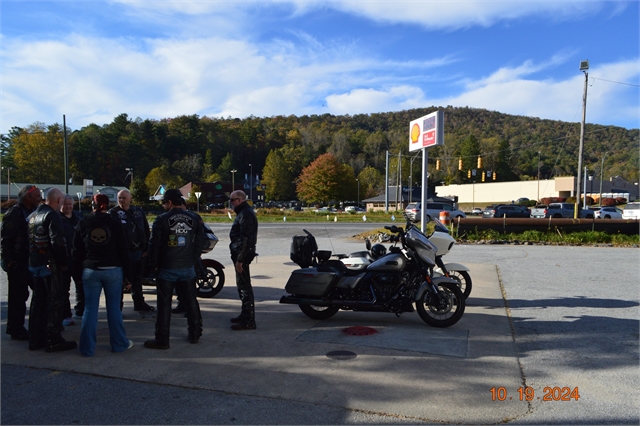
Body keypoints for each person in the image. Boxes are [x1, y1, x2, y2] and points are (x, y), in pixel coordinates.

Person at [73, 194, 134, 357]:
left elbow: (76, 251)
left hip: (91, 269)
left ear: (92, 205)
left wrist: (77, 274)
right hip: (113, 269)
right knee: (113, 308)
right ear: (107, 205)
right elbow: (123, 250)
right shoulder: (114, 223)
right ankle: (119, 343)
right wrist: (129, 275)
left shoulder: (83, 222)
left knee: (90, 309)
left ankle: (87, 348)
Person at [144, 189, 205, 349]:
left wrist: (154, 264)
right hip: (187, 267)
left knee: (164, 305)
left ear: (170, 202)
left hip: (167, 267)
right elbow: (201, 241)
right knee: (191, 301)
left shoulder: (162, 219)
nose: (163, 205)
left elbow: (154, 245)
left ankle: (162, 340)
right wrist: (193, 258)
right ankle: (195, 334)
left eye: (164, 202)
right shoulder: (195, 218)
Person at [27, 187, 77, 352]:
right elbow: (58, 241)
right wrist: (63, 261)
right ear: (58, 200)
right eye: (62, 201)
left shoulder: (33, 215)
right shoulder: (52, 215)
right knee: (55, 301)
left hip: (35, 262)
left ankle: (36, 338)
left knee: (38, 302)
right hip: (50, 263)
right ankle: (53, 338)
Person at [1, 184, 42, 341]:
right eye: (37, 196)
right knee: (18, 296)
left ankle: (37, 325)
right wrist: (9, 261)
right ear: (27, 197)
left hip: (31, 260)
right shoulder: (15, 213)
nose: (39, 199)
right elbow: (6, 239)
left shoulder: (33, 211)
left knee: (38, 292)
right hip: (18, 261)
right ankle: (15, 328)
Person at [108, 189, 154, 313]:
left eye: (124, 198)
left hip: (138, 251)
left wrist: (145, 248)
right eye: (119, 198)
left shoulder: (138, 212)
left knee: (137, 279)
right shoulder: (113, 213)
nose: (122, 200)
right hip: (122, 254)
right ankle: (118, 308)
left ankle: (139, 303)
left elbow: (145, 229)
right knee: (121, 281)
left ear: (130, 198)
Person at [228, 190, 258, 330]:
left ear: (240, 200)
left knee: (244, 287)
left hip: (242, 255)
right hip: (240, 253)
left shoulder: (245, 214)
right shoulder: (243, 213)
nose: (231, 203)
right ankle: (245, 314)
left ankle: (249, 320)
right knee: (242, 286)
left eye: (232, 200)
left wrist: (240, 259)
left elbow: (246, 238)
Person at [59, 194, 84, 324]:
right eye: (65, 204)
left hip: (78, 258)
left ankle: (80, 311)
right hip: (64, 259)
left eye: (70, 204)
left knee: (81, 285)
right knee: (64, 289)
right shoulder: (57, 219)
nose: (68, 206)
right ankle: (66, 315)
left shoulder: (79, 218)